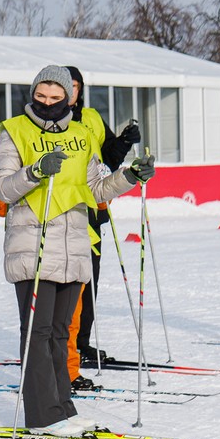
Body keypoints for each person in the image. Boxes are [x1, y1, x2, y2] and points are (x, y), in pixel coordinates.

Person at [0, 66, 148, 436]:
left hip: (75, 242)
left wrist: (129, 177)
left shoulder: (81, 134)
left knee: (62, 332)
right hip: (34, 241)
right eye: (40, 97)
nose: (46, 104)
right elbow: (1, 189)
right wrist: (35, 171)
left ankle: (63, 406)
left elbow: (95, 189)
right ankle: (43, 416)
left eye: (55, 97)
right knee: (38, 331)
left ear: (68, 97)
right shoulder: (13, 132)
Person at [61, 68, 140, 387]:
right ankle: (63, 350)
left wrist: (123, 141)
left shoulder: (91, 118)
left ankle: (80, 344)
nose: (71, 92)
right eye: (65, 86)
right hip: (65, 209)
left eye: (75, 87)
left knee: (89, 281)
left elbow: (108, 157)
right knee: (69, 287)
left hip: (93, 207)